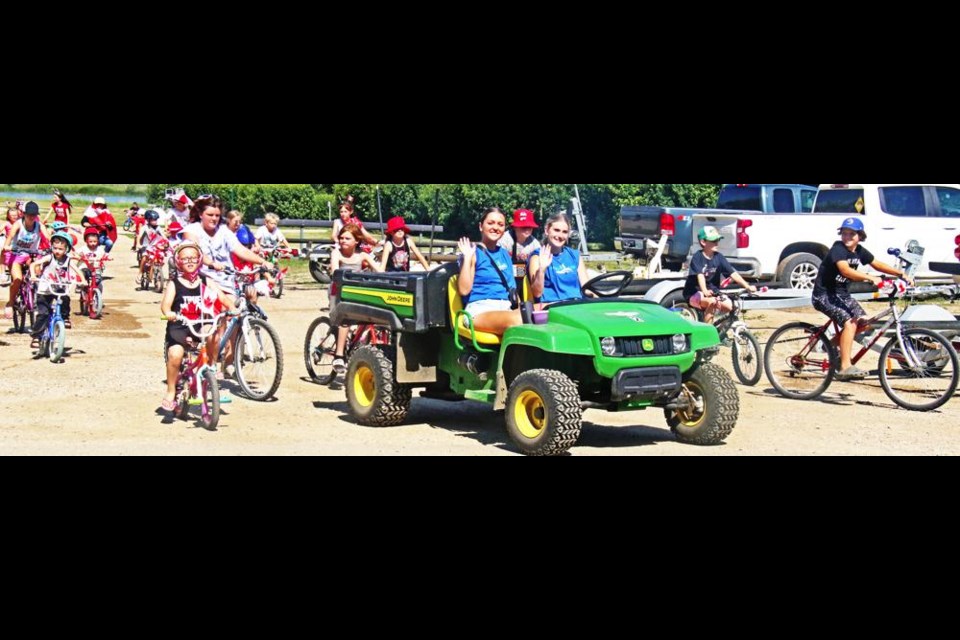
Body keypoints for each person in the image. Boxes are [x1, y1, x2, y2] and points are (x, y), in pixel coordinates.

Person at [812, 217, 913, 380]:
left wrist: (900, 273)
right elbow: (845, 270)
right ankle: (845, 366)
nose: (847, 237)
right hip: (824, 295)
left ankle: (829, 345)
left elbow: (877, 263)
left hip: (842, 295)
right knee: (850, 323)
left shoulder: (859, 251)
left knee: (864, 324)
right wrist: (869, 278)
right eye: (844, 233)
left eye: (851, 234)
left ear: (860, 236)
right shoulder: (838, 249)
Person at [182, 195, 268, 375]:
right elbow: (195, 251)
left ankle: (229, 361)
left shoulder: (224, 231)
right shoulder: (192, 229)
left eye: (217, 215)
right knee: (217, 325)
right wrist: (210, 263)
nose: (214, 219)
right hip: (204, 279)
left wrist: (263, 263)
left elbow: (240, 250)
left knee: (235, 318)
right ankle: (211, 367)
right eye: (210, 215)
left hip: (227, 281)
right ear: (200, 214)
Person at [159, 241, 237, 412]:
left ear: (200, 260)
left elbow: (221, 297)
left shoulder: (205, 280)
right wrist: (168, 313)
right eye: (185, 258)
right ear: (178, 261)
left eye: (194, 258)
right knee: (176, 354)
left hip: (201, 323)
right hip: (180, 326)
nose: (190, 261)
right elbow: (165, 305)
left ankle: (211, 370)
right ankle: (171, 390)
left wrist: (232, 308)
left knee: (214, 335)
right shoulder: (174, 283)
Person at [456, 207, 522, 336]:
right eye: (490, 223)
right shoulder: (473, 253)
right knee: (518, 320)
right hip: (480, 309)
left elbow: (512, 290)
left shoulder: (504, 254)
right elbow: (464, 290)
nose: (496, 227)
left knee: (543, 315)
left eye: (500, 224)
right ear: (481, 226)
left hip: (505, 308)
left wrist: (521, 309)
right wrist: (467, 258)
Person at [330, 224, 382, 373]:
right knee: (345, 321)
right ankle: (339, 355)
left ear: (357, 241)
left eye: (347, 238)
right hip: (338, 292)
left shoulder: (362, 255)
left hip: (356, 292)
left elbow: (379, 270)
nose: (343, 241)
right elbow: (335, 272)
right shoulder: (336, 253)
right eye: (341, 238)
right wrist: (340, 276)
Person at [682, 226, 757, 325]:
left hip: (713, 292)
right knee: (712, 302)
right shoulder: (698, 257)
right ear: (703, 242)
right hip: (694, 292)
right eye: (713, 240)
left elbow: (733, 273)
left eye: (718, 240)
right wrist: (704, 290)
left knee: (730, 306)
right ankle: (708, 334)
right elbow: (700, 275)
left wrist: (747, 286)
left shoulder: (719, 257)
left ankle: (721, 331)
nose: (717, 243)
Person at [30, 231, 82, 346]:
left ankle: (65, 317)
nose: (57, 251)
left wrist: (82, 280)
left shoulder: (68, 260)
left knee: (65, 299)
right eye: (55, 248)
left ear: (66, 249)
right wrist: (33, 275)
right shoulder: (49, 257)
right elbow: (33, 264)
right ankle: (36, 336)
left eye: (60, 249)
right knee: (43, 313)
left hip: (59, 287)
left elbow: (77, 270)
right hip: (45, 289)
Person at [529, 213, 592, 304]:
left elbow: (587, 289)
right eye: (556, 230)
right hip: (552, 305)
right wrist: (542, 269)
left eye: (564, 232)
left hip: (576, 304)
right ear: (547, 230)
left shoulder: (575, 255)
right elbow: (537, 293)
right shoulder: (537, 257)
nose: (560, 235)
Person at [3, 202, 49, 320]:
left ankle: (39, 300)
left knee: (38, 273)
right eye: (29, 215)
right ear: (24, 214)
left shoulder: (39, 225)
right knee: (17, 279)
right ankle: (10, 302)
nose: (32, 217)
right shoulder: (18, 224)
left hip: (31, 255)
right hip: (16, 255)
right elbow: (8, 240)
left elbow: (48, 238)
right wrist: (8, 247)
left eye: (34, 215)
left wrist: (52, 248)